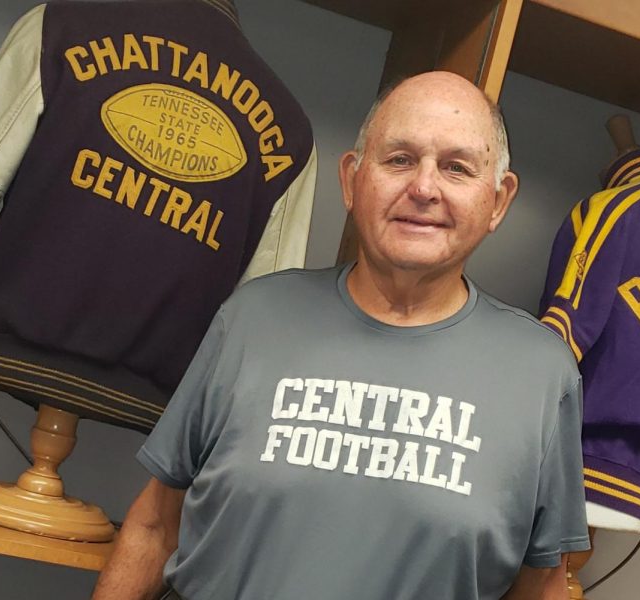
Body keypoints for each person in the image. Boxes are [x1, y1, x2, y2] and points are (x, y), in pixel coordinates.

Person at [92, 71, 590, 600]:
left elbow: (541, 586)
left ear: (497, 200)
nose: (424, 188)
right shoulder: (254, 318)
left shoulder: (541, 373)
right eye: (399, 159)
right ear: (352, 180)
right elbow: (153, 527)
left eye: (457, 167)